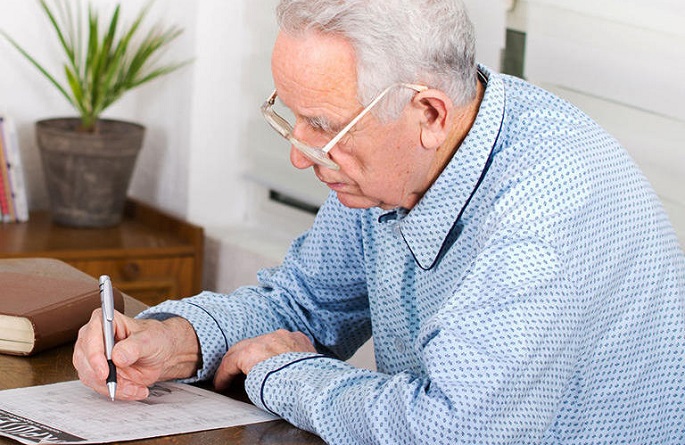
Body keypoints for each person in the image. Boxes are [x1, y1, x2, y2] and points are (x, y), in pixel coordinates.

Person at [73, 0, 685, 443]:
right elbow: (305, 306)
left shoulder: (544, 212)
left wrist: (279, 374)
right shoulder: (399, 162)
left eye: (323, 126)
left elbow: (453, 429)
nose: (300, 155)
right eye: (292, 116)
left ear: (430, 113)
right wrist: (177, 340)